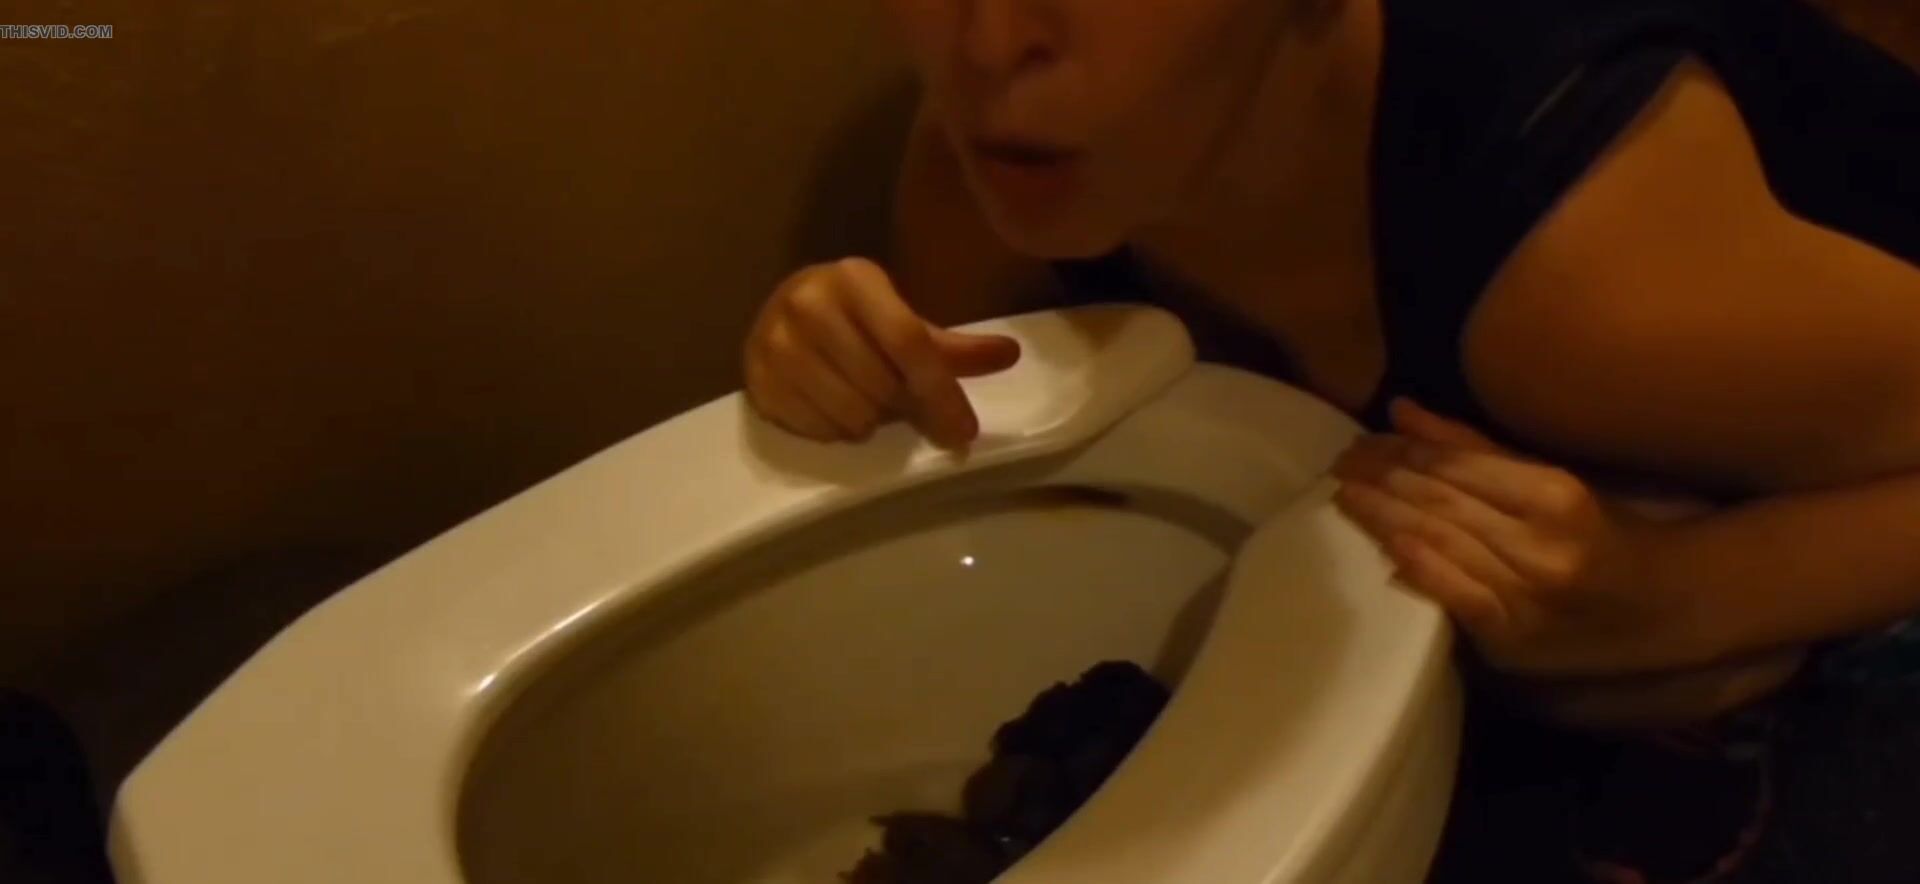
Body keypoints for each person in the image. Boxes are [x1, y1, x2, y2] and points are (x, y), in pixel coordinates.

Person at [741, 0, 1920, 879]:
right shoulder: (997, 174)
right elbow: (972, 481)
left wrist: (1682, 595)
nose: (990, 43)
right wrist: (845, 355)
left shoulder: (1583, 281)